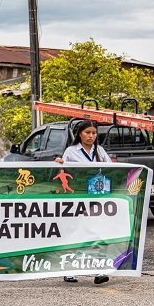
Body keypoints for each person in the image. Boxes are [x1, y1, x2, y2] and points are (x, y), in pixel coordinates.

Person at [54, 120, 111, 285]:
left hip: (97, 199)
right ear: (80, 134)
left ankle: (99, 270)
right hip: (78, 199)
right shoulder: (71, 151)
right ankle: (70, 270)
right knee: (77, 233)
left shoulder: (99, 151)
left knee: (99, 234)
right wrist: (58, 164)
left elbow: (112, 170)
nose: (91, 136)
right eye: (88, 133)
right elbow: (62, 171)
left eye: (94, 133)